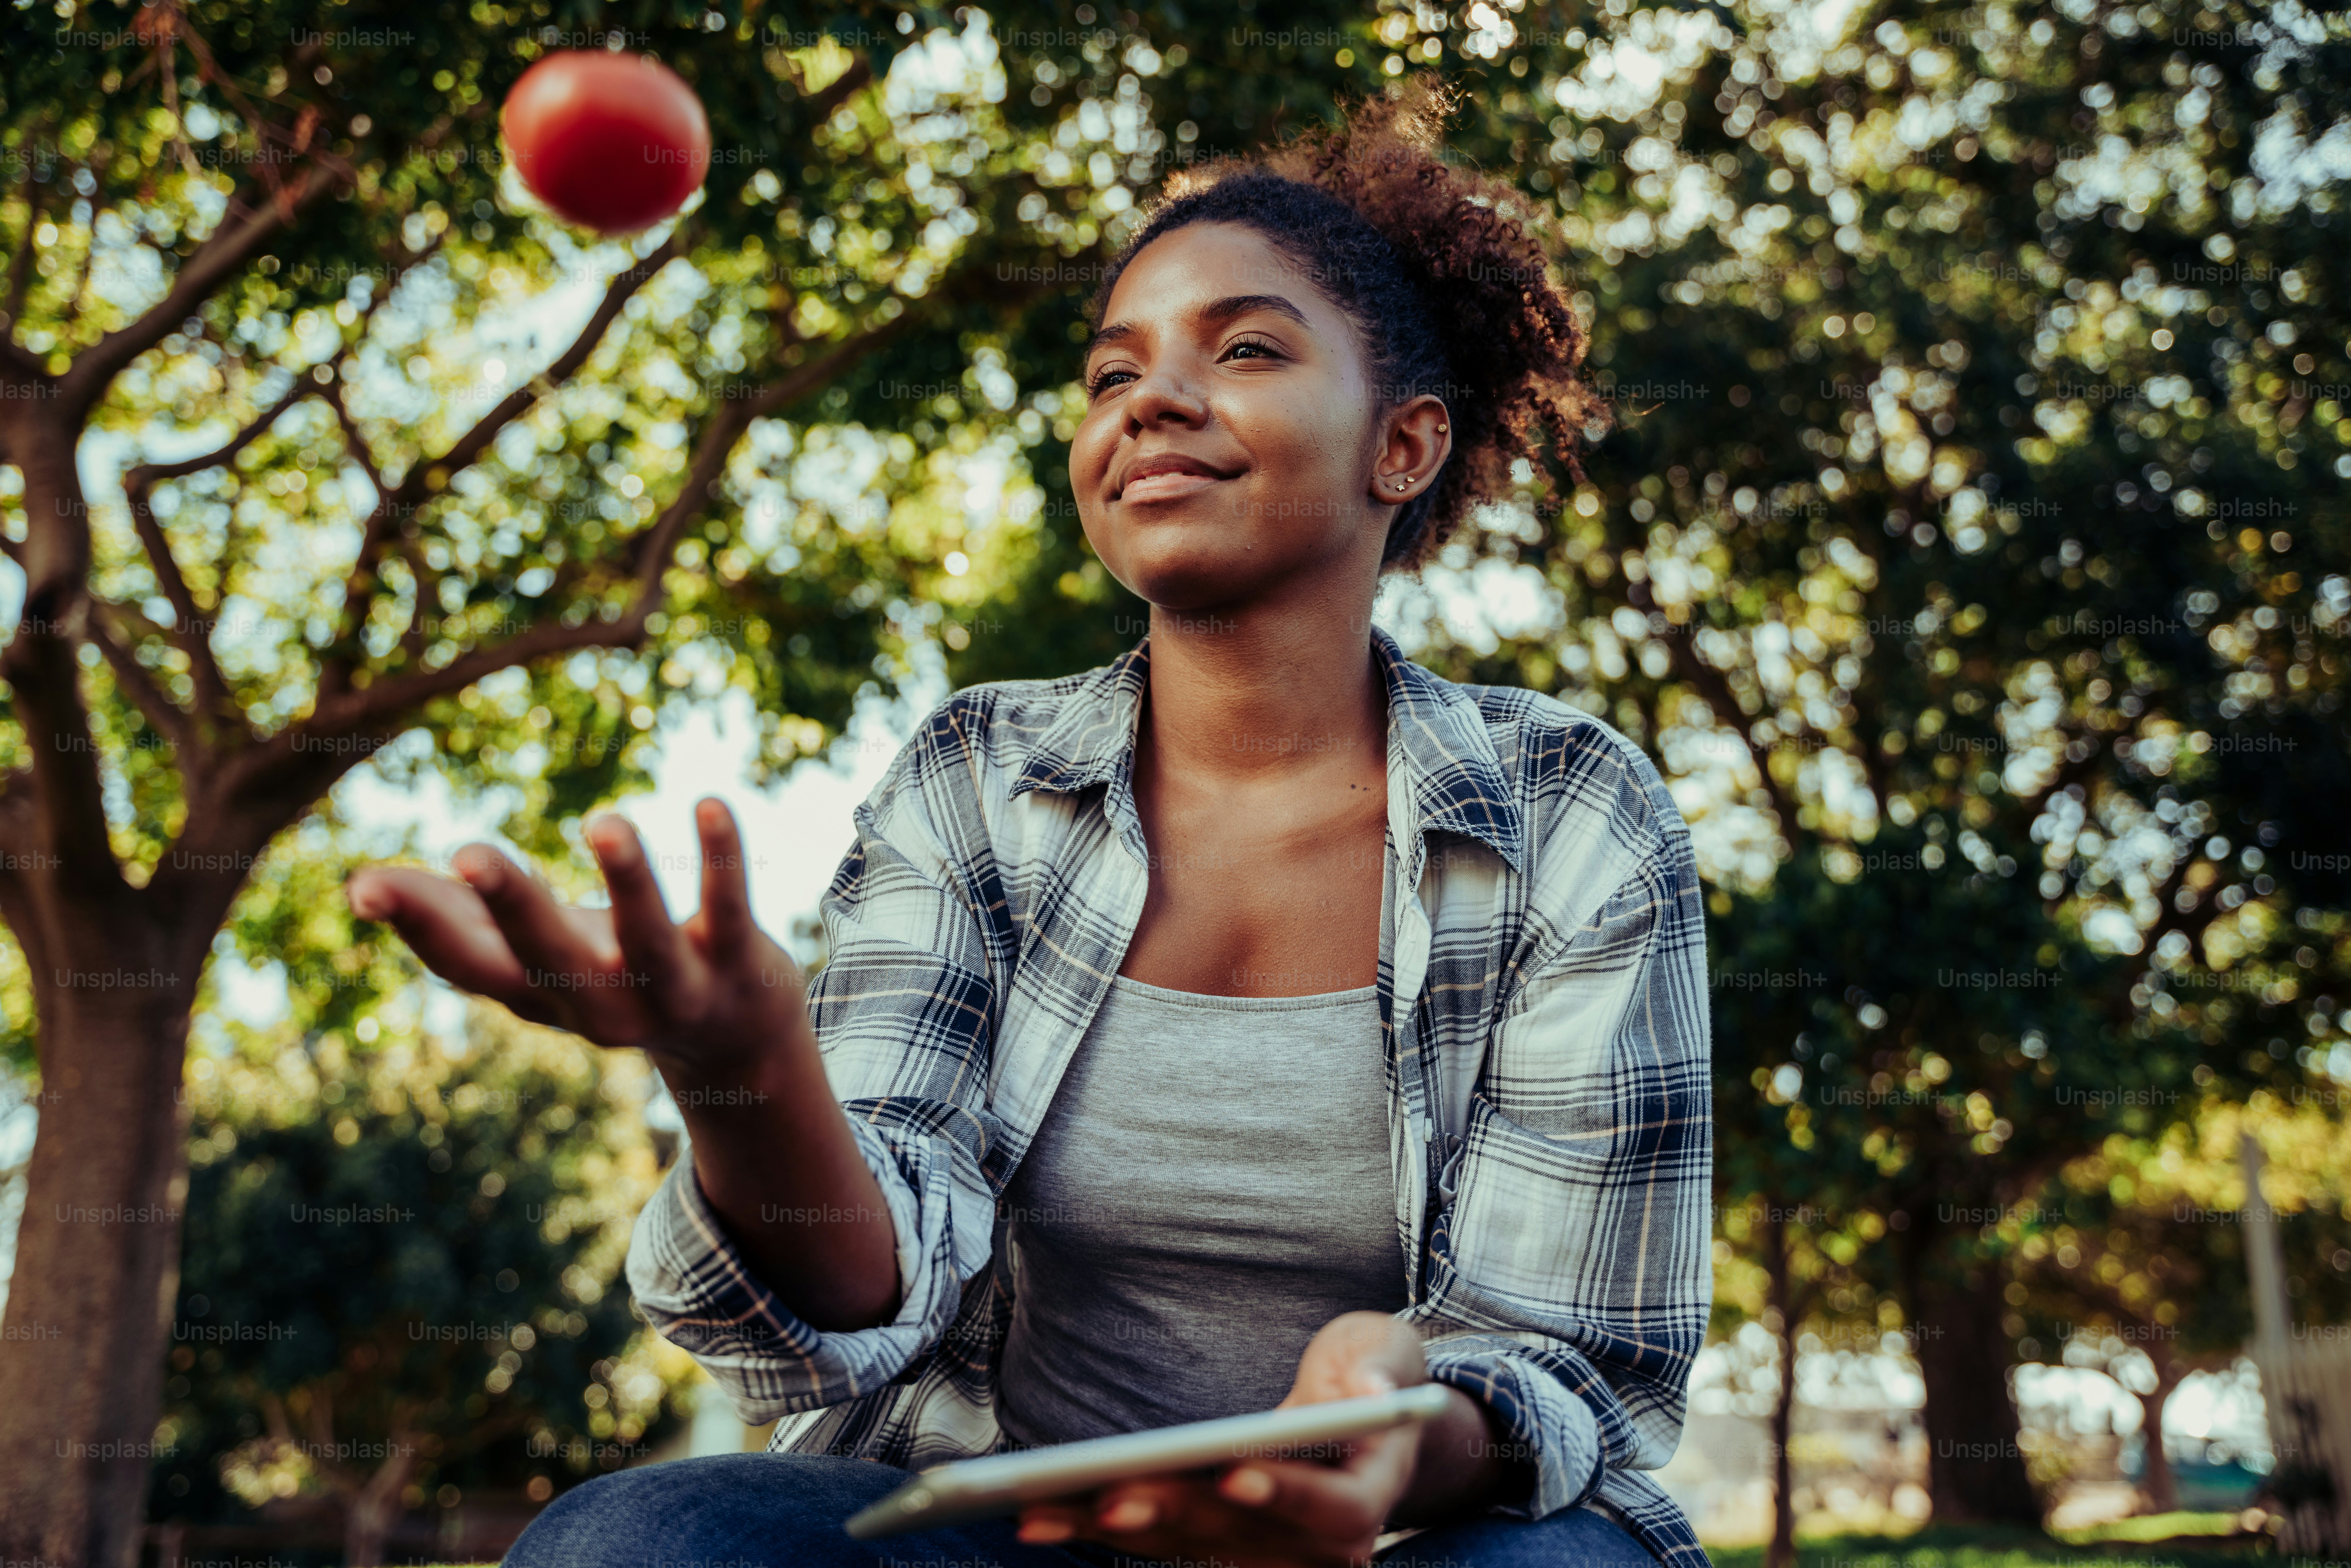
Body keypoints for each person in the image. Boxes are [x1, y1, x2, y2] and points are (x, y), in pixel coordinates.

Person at [347, 79, 1713, 1568]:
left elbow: (1569, 1357)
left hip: (1405, 1542)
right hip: (1008, 1526)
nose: (1150, 403)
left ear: (1404, 446)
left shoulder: (1570, 808)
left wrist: (1386, 1445)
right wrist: (737, 1070)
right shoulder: (974, 777)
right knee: (637, 1542)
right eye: (1109, 373)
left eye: (1244, 348)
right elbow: (867, 1295)